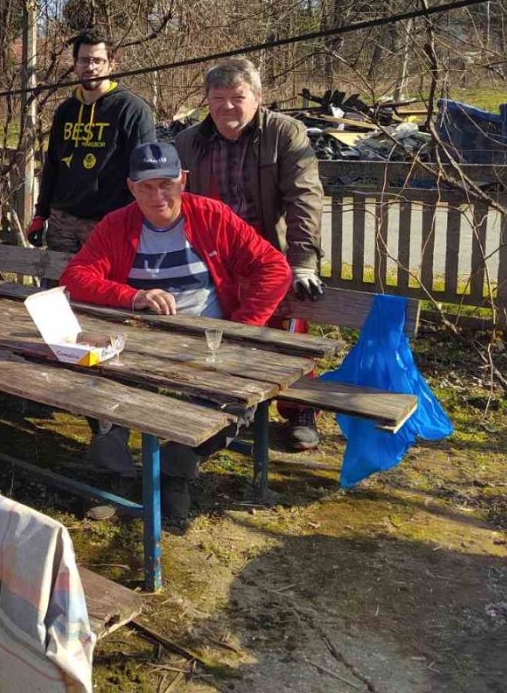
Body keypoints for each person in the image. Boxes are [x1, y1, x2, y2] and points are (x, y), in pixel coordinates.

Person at [60, 142, 291, 526]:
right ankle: (119, 473)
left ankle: (174, 471)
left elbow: (275, 268)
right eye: (146, 187)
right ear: (131, 188)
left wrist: (242, 328)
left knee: (239, 401)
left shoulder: (212, 216)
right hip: (136, 341)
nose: (158, 196)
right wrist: (133, 296)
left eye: (166, 184)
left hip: (207, 342)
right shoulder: (117, 224)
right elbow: (75, 277)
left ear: (183, 180)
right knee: (90, 380)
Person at [173, 57, 326, 451]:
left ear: (257, 97)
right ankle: (224, 406)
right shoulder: (190, 142)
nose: (227, 107)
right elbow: (177, 201)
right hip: (215, 256)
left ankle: (299, 410)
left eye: (237, 97)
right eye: (217, 98)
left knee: (287, 333)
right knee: (219, 333)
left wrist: (303, 260)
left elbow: (303, 196)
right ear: (206, 100)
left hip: (269, 254)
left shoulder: (284, 133)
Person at [29, 29, 156, 253]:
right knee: (59, 286)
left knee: (103, 285)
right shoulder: (65, 111)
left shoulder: (132, 110)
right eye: (84, 60)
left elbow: (145, 172)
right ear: (75, 64)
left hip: (108, 221)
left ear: (112, 64)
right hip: (62, 222)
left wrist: (142, 221)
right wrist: (41, 214)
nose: (91, 67)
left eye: (98, 60)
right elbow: (52, 167)